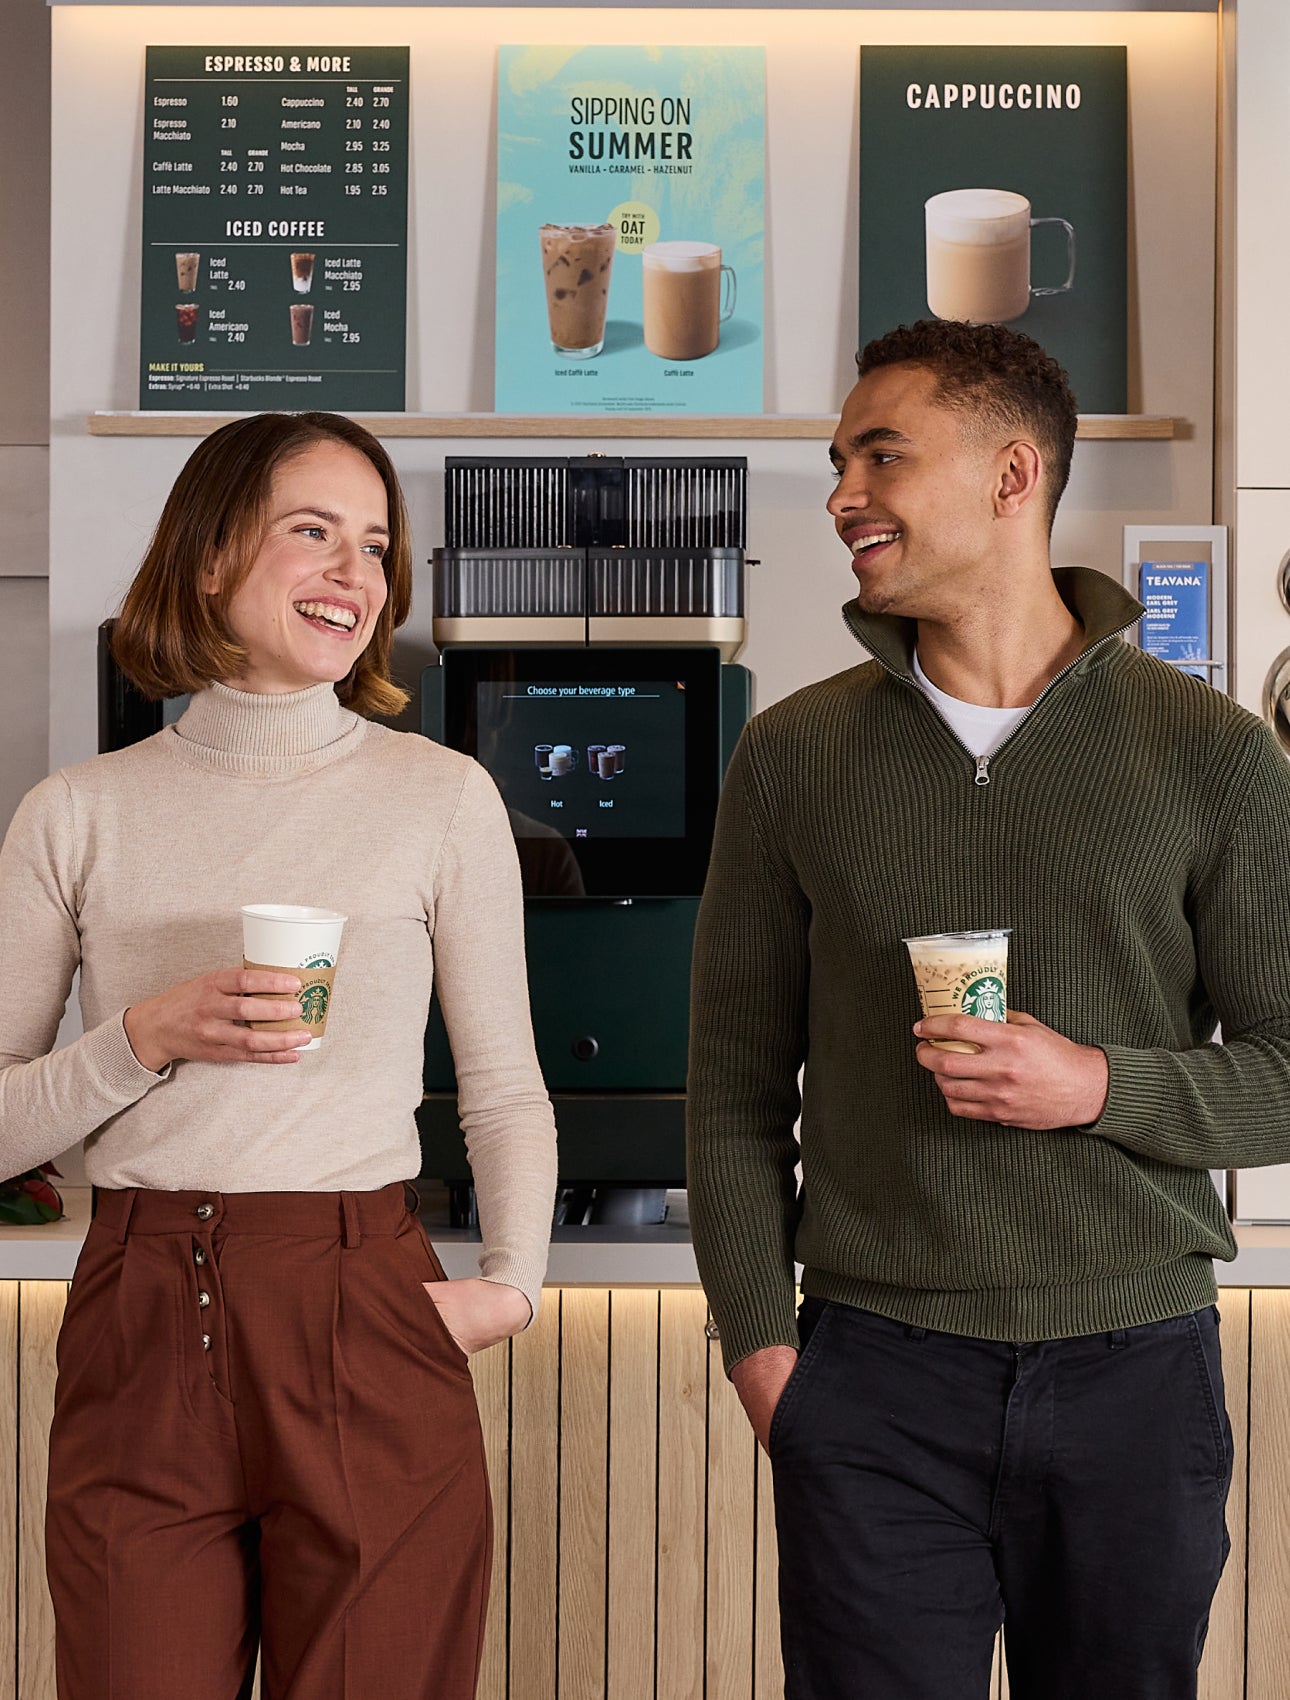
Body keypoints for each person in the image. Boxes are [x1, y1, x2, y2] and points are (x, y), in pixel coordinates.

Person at [687, 319, 1290, 1700]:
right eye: (838, 463)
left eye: (881, 457)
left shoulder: (1211, 754)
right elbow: (729, 1090)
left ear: (1013, 475)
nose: (843, 494)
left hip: (1136, 1371)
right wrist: (765, 1353)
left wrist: (1096, 1085)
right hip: (872, 1378)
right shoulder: (792, 755)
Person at [0, 411, 557, 1700]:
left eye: (375, 546)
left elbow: (502, 1087)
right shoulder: (76, 814)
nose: (354, 574)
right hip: (141, 1307)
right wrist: (143, 1038)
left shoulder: (441, 797)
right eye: (314, 531)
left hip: (364, 1293)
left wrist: (512, 1286)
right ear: (209, 557)